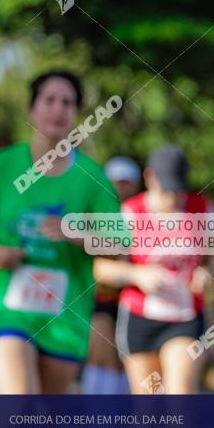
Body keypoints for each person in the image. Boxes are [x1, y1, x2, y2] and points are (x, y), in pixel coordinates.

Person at [0, 70, 122, 394]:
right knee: (18, 405)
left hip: (65, 320)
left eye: (67, 102)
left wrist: (74, 233)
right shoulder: (4, 165)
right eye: (49, 100)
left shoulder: (93, 178)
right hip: (7, 313)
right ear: (31, 110)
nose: (58, 109)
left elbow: (118, 245)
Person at [109, 145, 214, 394]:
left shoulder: (203, 209)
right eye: (166, 190)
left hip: (186, 317)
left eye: (178, 190)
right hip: (140, 317)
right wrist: (137, 274)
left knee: (179, 395)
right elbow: (101, 268)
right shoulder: (130, 212)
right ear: (150, 178)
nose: (173, 198)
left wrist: (207, 272)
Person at [80, 157, 141, 394]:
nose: (119, 187)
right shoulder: (92, 214)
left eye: (125, 182)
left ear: (135, 185)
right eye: (114, 181)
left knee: (123, 361)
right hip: (100, 298)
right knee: (101, 354)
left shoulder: (143, 214)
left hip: (134, 300)